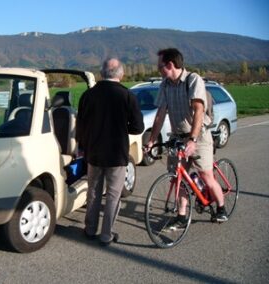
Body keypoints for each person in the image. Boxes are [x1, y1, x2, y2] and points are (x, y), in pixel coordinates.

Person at [145, 48, 228, 229]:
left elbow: (198, 110)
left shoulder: (193, 80)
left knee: (206, 175)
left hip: (198, 135)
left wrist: (193, 139)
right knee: (178, 177)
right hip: (177, 136)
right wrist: (151, 140)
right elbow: (160, 114)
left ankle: (221, 208)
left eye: (160, 67)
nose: (158, 70)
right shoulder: (165, 84)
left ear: (170, 65)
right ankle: (181, 216)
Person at [76, 58, 144, 246]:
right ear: (120, 74)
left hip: (94, 152)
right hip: (116, 153)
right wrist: (123, 127)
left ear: (102, 73)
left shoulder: (88, 95)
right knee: (113, 195)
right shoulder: (127, 96)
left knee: (93, 192)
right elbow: (138, 127)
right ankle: (106, 235)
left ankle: (90, 229)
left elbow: (80, 125)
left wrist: (82, 146)